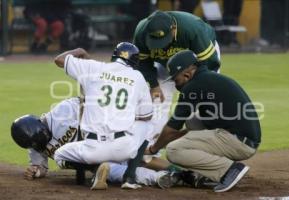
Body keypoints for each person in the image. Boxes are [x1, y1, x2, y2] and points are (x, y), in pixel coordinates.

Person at [145, 50, 261, 192]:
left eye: (176, 79)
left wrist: (153, 148)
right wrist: (166, 138)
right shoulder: (207, 78)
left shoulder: (192, 87)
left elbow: (172, 128)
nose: (176, 85)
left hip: (238, 142)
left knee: (173, 150)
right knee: (193, 122)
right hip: (243, 138)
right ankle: (209, 171)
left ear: (187, 75)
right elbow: (181, 130)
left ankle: (229, 170)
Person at [10, 97, 177, 189]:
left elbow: (88, 103)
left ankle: (180, 173)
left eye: (40, 140)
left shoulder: (61, 112)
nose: (40, 146)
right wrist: (35, 171)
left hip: (103, 139)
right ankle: (160, 178)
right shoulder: (34, 146)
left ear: (40, 124)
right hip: (93, 161)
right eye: (34, 145)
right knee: (112, 171)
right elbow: (41, 168)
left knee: (142, 157)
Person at [53, 42, 154, 189]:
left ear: (114, 56)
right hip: (123, 149)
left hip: (91, 149)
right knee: (145, 126)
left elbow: (59, 60)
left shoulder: (93, 67)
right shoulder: (137, 76)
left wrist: (80, 50)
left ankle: (95, 171)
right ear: (134, 61)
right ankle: (129, 178)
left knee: (59, 155)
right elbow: (146, 116)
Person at [133, 10, 221, 135]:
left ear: (173, 28)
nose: (161, 46)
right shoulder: (141, 32)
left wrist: (194, 86)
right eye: (156, 42)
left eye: (164, 40)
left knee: (204, 100)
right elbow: (143, 62)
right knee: (158, 102)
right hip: (166, 62)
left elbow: (210, 63)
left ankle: (208, 142)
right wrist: (153, 85)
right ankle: (153, 149)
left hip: (199, 58)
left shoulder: (192, 29)